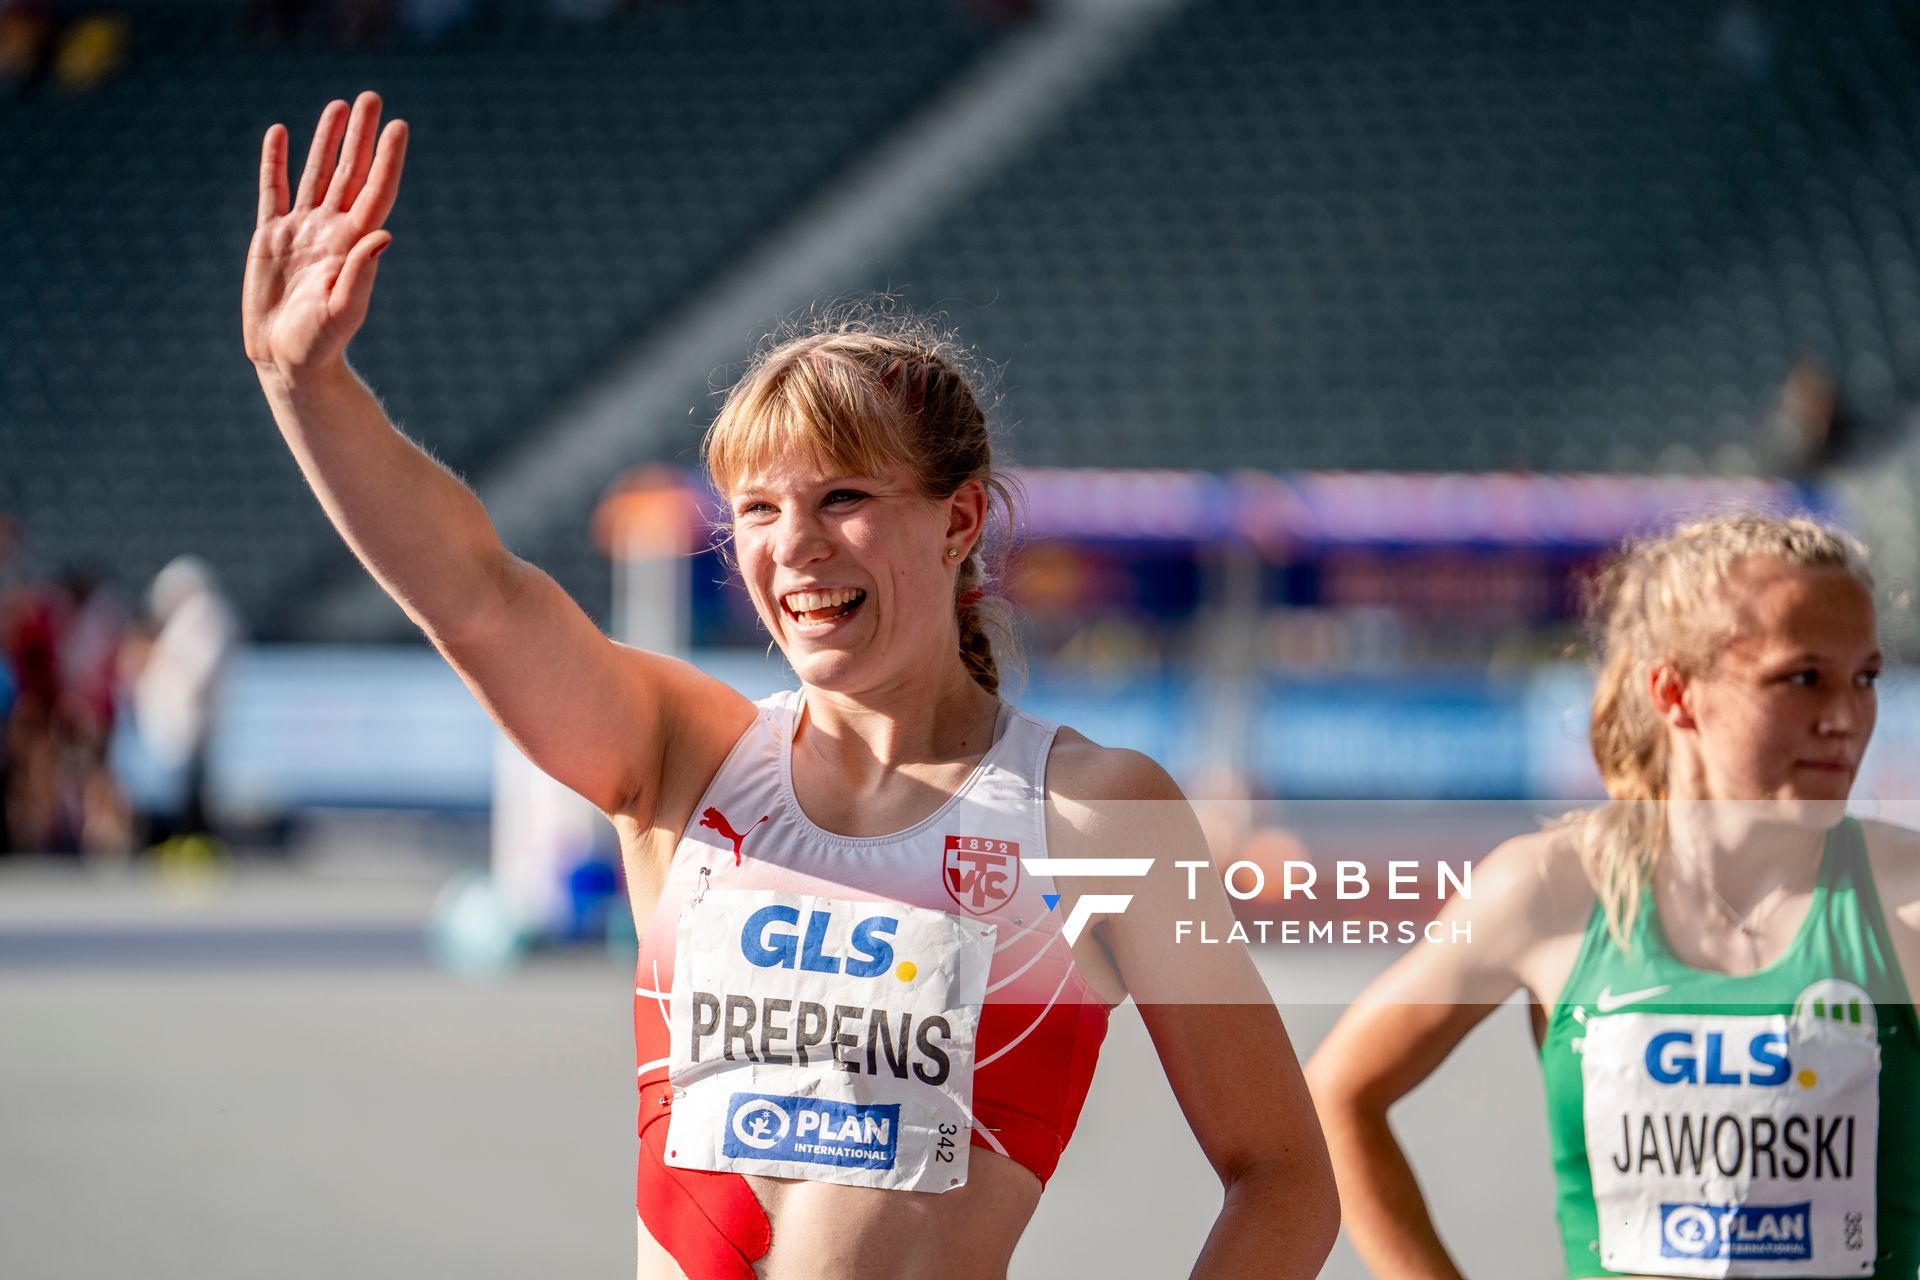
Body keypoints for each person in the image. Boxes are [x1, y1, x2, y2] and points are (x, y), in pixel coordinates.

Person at [242, 91, 1337, 1279]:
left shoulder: (1096, 813)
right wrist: (309, 385)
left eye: (844, 499)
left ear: (959, 518)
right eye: (758, 509)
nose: (795, 547)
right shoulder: (681, 756)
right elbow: (477, 593)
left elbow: (1283, 1180)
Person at [1307, 513, 1920, 1278]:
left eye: (1865, 679)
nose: (1846, 719)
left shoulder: (1903, 902)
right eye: (1803, 678)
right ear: (1675, 691)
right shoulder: (1547, 891)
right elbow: (1333, 1098)